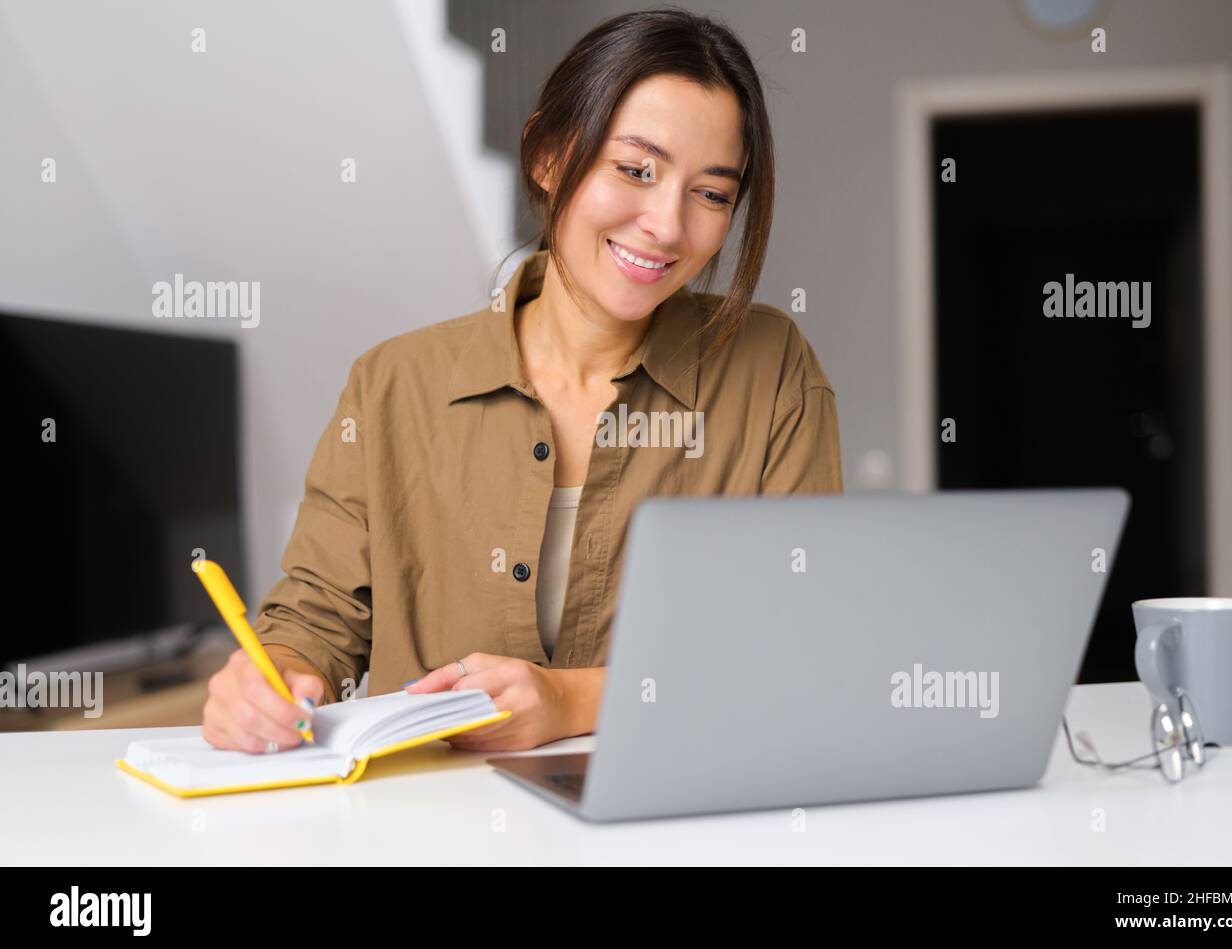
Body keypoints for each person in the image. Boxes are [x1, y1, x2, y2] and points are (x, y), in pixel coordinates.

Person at [202, 7, 843, 755]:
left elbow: (801, 637)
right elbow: (314, 624)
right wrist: (266, 683)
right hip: (435, 826)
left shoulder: (772, 369)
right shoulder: (393, 385)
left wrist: (571, 698)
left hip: (679, 817)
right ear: (547, 155)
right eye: (636, 169)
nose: (668, 225)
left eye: (711, 193)